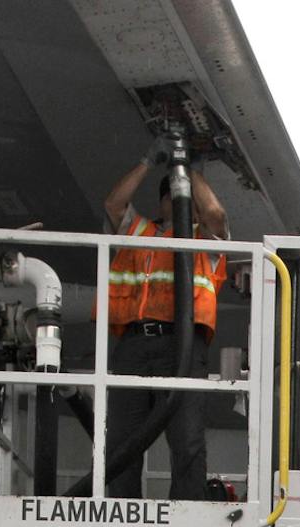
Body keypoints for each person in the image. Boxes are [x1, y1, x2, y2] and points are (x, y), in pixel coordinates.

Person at [97, 150, 230, 499]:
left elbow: (216, 213)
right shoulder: (139, 232)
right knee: (123, 439)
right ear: (161, 203)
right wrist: (148, 159)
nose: (183, 202)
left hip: (184, 346)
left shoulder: (206, 240)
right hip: (135, 344)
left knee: (187, 439)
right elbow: (114, 203)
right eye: (174, 194)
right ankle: (123, 510)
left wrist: (191, 170)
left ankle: (187, 508)